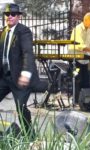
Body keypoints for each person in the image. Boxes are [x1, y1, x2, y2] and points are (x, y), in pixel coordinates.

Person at [0, 3, 40, 139]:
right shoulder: (3, 32)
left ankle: (30, 138)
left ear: (18, 17)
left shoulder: (24, 31)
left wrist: (25, 74)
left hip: (20, 78)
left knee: (21, 108)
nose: (9, 16)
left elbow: (28, 53)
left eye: (13, 14)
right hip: (5, 77)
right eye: (7, 14)